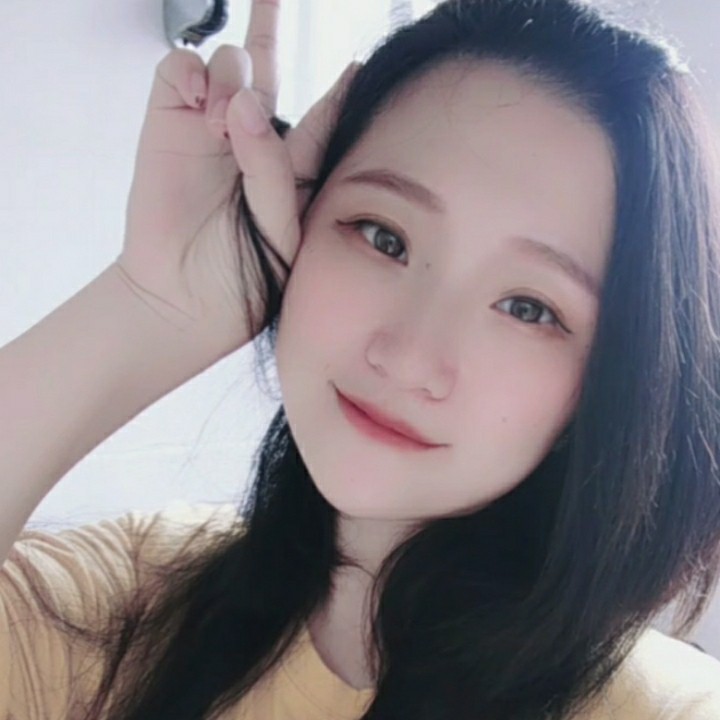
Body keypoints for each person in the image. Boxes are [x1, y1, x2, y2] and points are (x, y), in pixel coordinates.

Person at [1, 0, 720, 717]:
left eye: (528, 308)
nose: (408, 358)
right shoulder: (127, 608)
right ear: (304, 214)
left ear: (620, 376)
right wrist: (151, 305)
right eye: (384, 236)